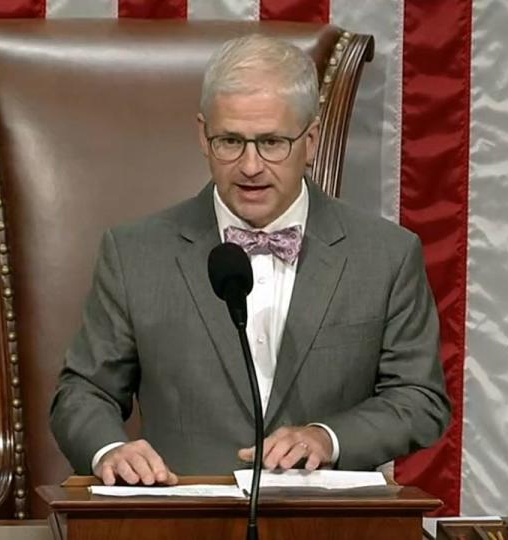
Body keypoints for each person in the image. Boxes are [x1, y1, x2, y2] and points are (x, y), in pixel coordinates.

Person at [49, 34, 450, 487]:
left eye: (272, 142)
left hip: (326, 524)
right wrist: (110, 450)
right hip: (180, 523)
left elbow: (419, 398)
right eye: (230, 141)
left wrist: (328, 438)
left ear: (311, 140)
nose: (251, 166)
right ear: (203, 136)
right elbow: (83, 391)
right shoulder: (134, 253)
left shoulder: (385, 255)